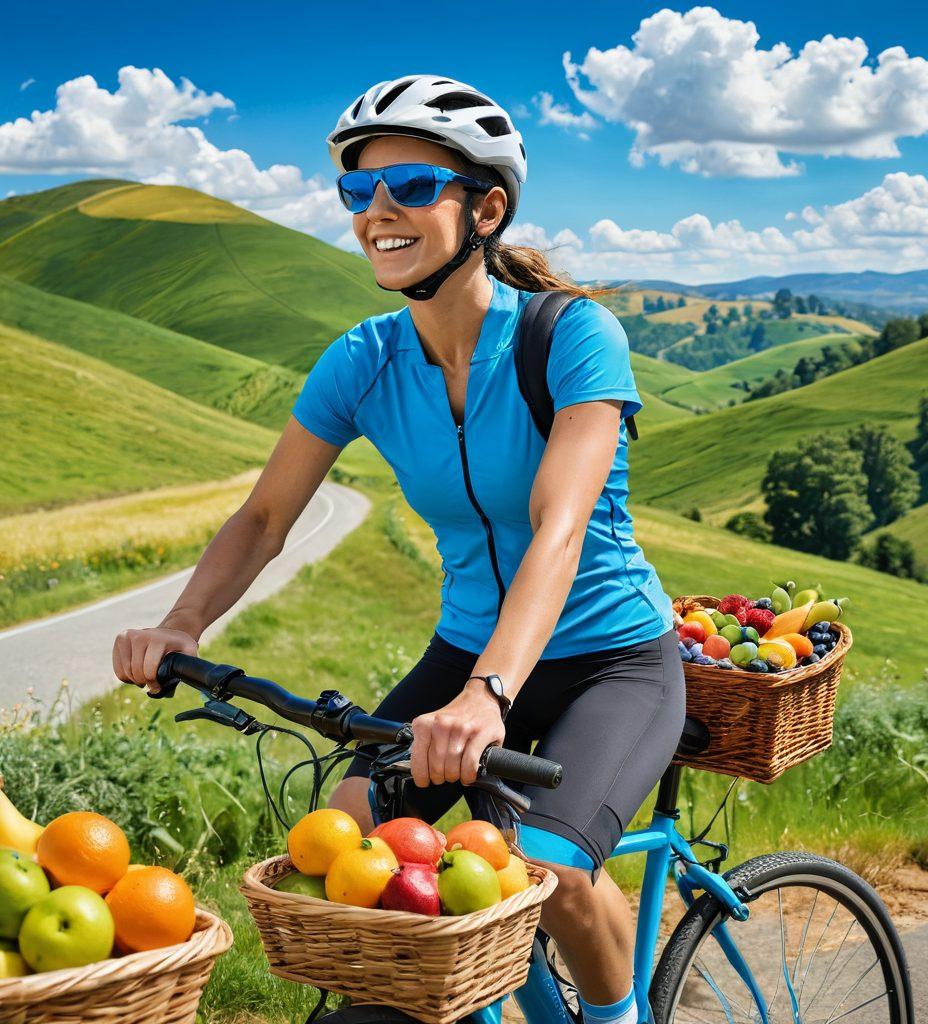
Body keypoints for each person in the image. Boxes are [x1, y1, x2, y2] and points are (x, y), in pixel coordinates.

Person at [113, 74, 685, 1024]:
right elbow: (264, 520)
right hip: (467, 655)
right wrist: (182, 623)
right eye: (358, 191)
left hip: (607, 661)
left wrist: (489, 693)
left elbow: (562, 524)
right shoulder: (364, 359)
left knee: (548, 873)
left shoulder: (573, 336)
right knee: (341, 840)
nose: (379, 211)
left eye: (413, 186)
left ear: (486, 208)